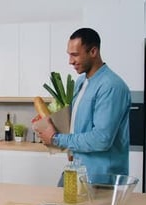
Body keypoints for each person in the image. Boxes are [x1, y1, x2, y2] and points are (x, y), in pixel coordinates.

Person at [36, 28, 131, 186]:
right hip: (77, 170)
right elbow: (77, 126)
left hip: (101, 180)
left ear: (93, 51)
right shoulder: (81, 83)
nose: (70, 61)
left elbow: (102, 139)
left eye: (75, 55)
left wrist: (56, 138)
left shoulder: (111, 86)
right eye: (69, 54)